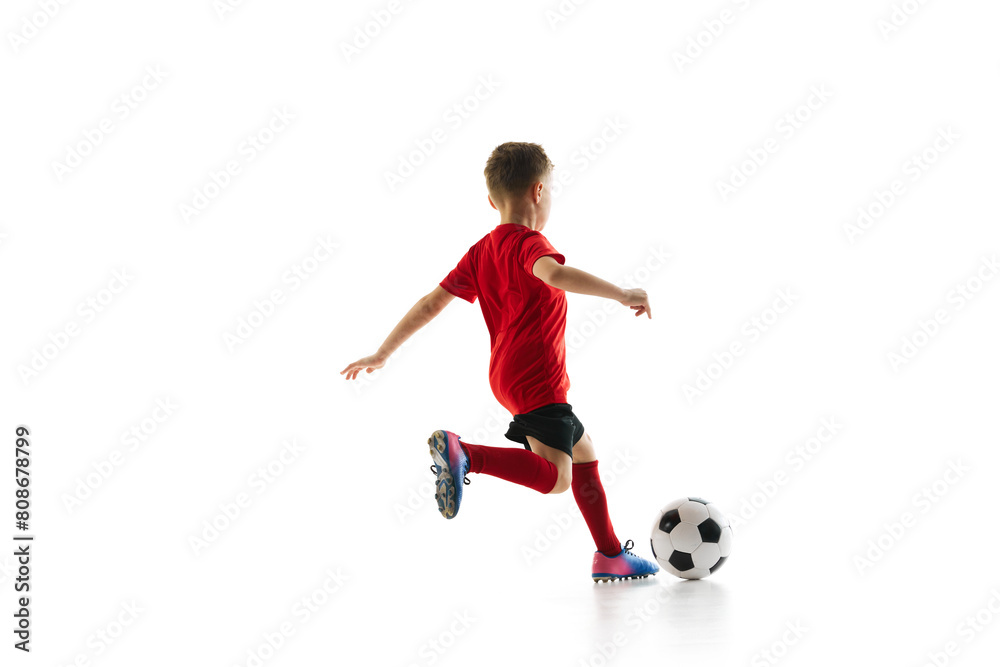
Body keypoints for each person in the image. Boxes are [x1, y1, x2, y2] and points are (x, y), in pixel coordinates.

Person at [342, 142, 658, 582]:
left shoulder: (483, 249)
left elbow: (432, 304)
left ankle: (609, 555)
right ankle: (466, 453)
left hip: (506, 376)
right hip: (537, 377)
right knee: (557, 478)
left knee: (584, 453)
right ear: (539, 191)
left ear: (492, 200)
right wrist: (623, 294)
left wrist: (382, 353)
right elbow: (555, 274)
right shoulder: (531, 244)